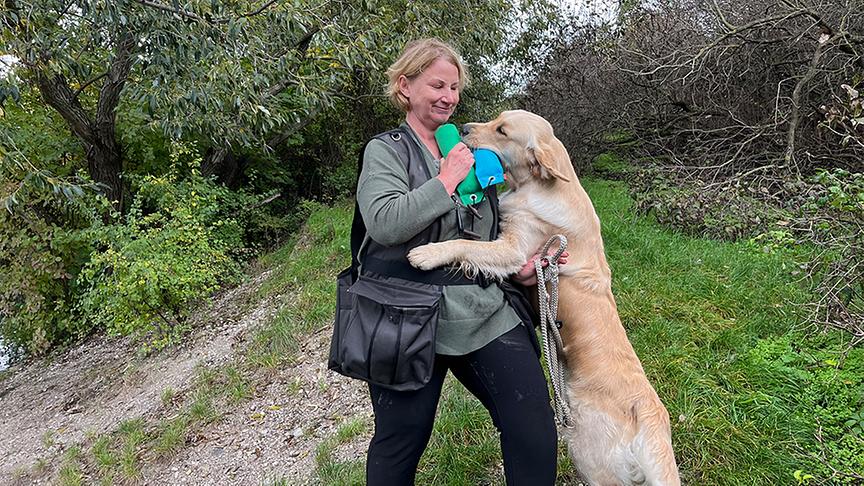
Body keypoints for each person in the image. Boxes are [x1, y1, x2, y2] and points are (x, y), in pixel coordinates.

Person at [356, 38, 561, 485]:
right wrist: (445, 179)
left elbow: (492, 232)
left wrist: (519, 268)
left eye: (453, 87)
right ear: (405, 86)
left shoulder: (476, 155)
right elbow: (386, 225)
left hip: (483, 311)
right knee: (400, 439)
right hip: (405, 317)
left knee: (534, 430)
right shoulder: (387, 151)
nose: (448, 97)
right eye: (436, 85)